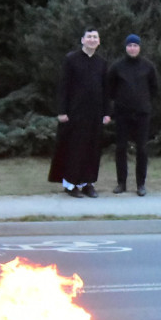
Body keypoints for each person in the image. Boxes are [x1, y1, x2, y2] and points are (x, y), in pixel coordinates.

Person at [48, 27, 111, 198]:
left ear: (98, 41)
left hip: (95, 113)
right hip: (74, 113)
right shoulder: (71, 60)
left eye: (95, 37)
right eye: (89, 36)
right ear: (82, 40)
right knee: (74, 149)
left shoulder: (102, 63)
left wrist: (107, 113)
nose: (92, 39)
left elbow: (106, 90)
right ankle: (71, 184)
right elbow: (63, 87)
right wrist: (62, 111)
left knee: (92, 149)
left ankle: (88, 184)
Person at [107, 34, 159, 197]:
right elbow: (110, 89)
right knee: (121, 148)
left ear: (139, 47)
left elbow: (154, 88)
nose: (132, 48)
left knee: (142, 149)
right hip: (122, 113)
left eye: (135, 46)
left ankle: (140, 184)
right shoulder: (117, 66)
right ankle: (121, 183)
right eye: (129, 45)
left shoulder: (148, 66)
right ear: (125, 47)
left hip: (142, 114)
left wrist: (144, 103)